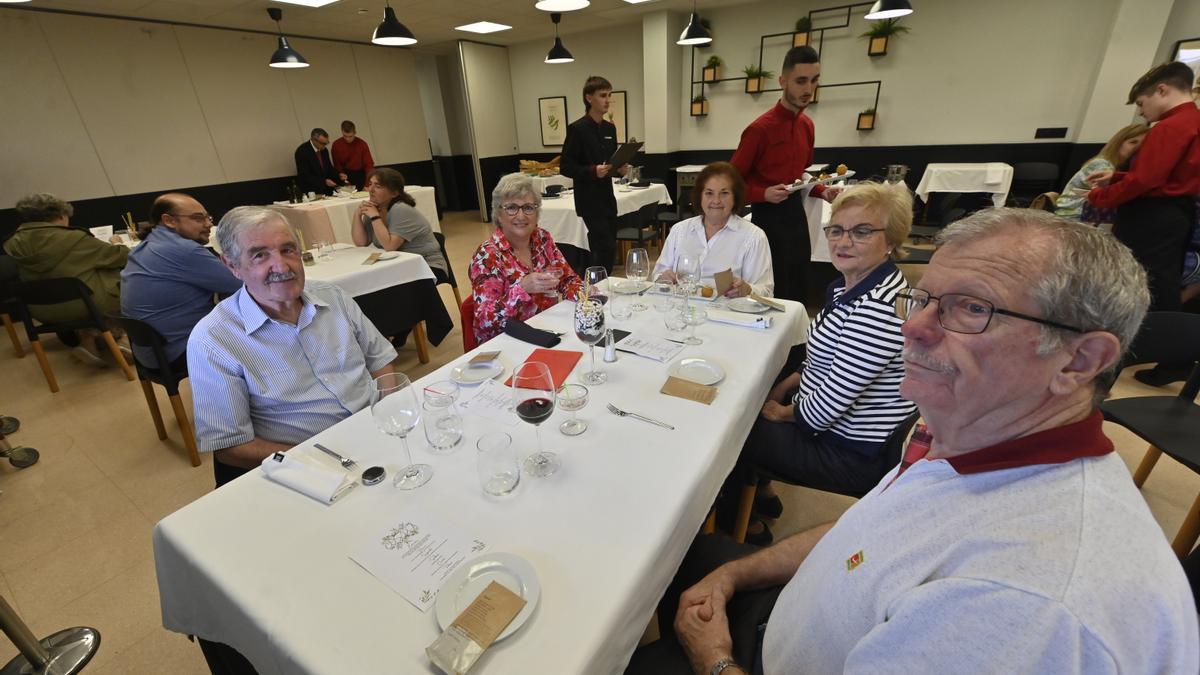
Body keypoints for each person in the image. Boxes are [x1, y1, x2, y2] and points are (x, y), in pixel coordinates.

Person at [628, 209, 1199, 675]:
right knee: (673, 554)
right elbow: (875, 530)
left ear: (1079, 360)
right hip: (788, 614)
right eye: (924, 298)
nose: (913, 327)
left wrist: (715, 659)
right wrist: (736, 574)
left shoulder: (1027, 610)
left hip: (750, 657)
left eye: (973, 309)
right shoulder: (970, 438)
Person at [729, 182, 915, 544]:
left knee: (731, 430)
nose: (844, 242)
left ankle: (739, 522)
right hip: (841, 424)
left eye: (862, 232)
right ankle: (761, 490)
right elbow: (825, 359)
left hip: (851, 450)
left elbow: (822, 412)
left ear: (891, 240)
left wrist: (784, 411)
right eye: (837, 230)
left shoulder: (879, 309)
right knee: (760, 388)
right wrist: (789, 382)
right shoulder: (850, 286)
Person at [187, 206, 396, 488]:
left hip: (378, 434)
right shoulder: (214, 340)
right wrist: (319, 464)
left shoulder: (333, 296)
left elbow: (380, 359)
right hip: (310, 466)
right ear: (232, 265)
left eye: (288, 249)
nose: (283, 267)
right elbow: (231, 447)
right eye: (260, 255)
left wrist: (389, 415)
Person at [1088, 61, 1200, 386]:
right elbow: (1168, 176)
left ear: (1162, 90)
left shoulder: (1170, 126)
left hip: (1153, 215)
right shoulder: (1191, 121)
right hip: (1173, 212)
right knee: (1159, 282)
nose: (1141, 111)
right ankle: (1161, 352)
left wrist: (1100, 198)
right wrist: (1118, 175)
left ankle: (1169, 358)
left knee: (1149, 282)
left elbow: (1147, 181)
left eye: (1141, 103)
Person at [731, 46, 838, 303]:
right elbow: (730, 184)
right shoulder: (759, 130)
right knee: (772, 289)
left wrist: (823, 191)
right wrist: (762, 194)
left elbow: (800, 175)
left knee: (799, 281)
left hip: (797, 218)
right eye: (801, 81)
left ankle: (797, 342)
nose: (808, 89)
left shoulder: (807, 126)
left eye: (814, 81)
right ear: (783, 81)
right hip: (766, 221)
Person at [120, 193, 242, 371]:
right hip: (176, 350)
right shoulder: (182, 250)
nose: (209, 224)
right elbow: (242, 283)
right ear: (169, 221)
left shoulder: (150, 244)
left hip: (150, 350)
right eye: (198, 218)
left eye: (208, 217)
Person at [4, 192, 128, 364]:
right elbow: (121, 257)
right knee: (113, 278)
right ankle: (122, 338)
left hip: (40, 309)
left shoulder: (14, 243)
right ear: (61, 215)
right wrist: (117, 243)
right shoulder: (74, 238)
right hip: (84, 304)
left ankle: (88, 341)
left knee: (79, 281)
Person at [468, 173, 583, 343]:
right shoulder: (488, 256)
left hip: (547, 329)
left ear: (537, 214)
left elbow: (568, 279)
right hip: (506, 341)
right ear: (499, 214)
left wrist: (585, 296)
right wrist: (522, 289)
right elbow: (485, 320)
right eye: (512, 208)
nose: (521, 216)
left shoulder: (542, 239)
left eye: (529, 207)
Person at [652, 162, 774, 298]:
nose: (716, 200)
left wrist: (748, 289)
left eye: (724, 193)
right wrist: (663, 278)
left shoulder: (753, 237)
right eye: (709, 193)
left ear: (735, 197)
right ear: (700, 196)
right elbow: (657, 276)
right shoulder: (680, 231)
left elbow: (766, 292)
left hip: (727, 314)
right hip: (681, 309)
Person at [561, 75, 629, 273]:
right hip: (588, 200)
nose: (607, 100)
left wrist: (618, 170)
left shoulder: (610, 128)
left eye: (609, 95)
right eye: (602, 95)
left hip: (607, 197)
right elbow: (566, 167)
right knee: (603, 246)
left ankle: (599, 286)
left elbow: (609, 164)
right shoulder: (577, 129)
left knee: (609, 247)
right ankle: (594, 289)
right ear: (589, 98)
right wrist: (592, 171)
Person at [352, 168, 448, 284]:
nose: (371, 190)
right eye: (370, 184)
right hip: (397, 265)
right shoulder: (375, 209)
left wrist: (374, 217)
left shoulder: (400, 209)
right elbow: (361, 242)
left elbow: (390, 246)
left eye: (378, 186)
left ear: (394, 193)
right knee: (365, 283)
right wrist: (357, 214)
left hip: (426, 265)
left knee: (380, 288)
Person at [1054, 123, 1147, 222]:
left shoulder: (1113, 165)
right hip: (1072, 215)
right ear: (1118, 143)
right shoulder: (1102, 164)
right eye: (1133, 142)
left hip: (1080, 214)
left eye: (1143, 145)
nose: (1138, 148)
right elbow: (1109, 195)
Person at [294, 128, 340, 195]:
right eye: (323, 143)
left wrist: (338, 175)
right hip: (311, 191)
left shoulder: (324, 150)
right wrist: (324, 181)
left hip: (326, 190)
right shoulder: (302, 151)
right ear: (314, 140)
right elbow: (304, 175)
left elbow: (329, 168)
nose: (324, 146)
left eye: (326, 143)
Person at [331, 120, 375, 190]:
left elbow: (369, 165)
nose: (348, 139)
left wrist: (367, 184)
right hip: (345, 175)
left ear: (355, 133)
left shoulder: (362, 144)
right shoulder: (336, 144)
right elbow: (337, 164)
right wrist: (342, 175)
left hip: (361, 175)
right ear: (342, 132)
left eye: (350, 136)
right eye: (345, 136)